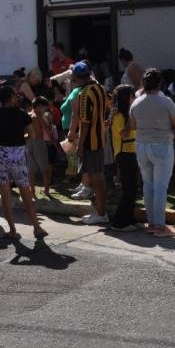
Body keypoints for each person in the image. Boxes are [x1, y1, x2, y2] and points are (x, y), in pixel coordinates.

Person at [0, 84, 47, 241]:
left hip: (0, 154)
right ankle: (36, 227)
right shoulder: (21, 114)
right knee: (25, 191)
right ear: (11, 98)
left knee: (5, 194)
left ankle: (12, 230)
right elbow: (32, 134)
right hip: (18, 154)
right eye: (15, 95)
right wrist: (21, 141)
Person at [128, 68, 175, 236]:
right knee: (160, 187)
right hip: (162, 146)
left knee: (148, 185)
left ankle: (152, 223)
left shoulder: (136, 102)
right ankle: (160, 226)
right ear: (160, 83)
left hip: (141, 146)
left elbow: (133, 125)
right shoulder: (166, 102)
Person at [68, 61, 109, 225]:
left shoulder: (84, 94)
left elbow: (84, 122)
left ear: (77, 78)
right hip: (100, 138)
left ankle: (101, 213)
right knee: (98, 177)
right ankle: (100, 211)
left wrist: (80, 145)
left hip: (91, 142)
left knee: (96, 178)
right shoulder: (100, 88)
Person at [108, 85, 139, 231]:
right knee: (128, 189)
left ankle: (129, 218)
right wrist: (132, 115)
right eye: (132, 96)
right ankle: (118, 222)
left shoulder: (126, 114)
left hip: (132, 152)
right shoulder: (118, 116)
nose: (134, 99)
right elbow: (124, 134)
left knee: (133, 188)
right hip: (124, 154)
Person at [27, 97, 55, 198]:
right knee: (45, 168)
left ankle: (32, 191)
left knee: (30, 170)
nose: (45, 109)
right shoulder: (39, 116)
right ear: (38, 107)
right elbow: (47, 129)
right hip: (38, 143)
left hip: (28, 143)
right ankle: (46, 190)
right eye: (44, 107)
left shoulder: (28, 115)